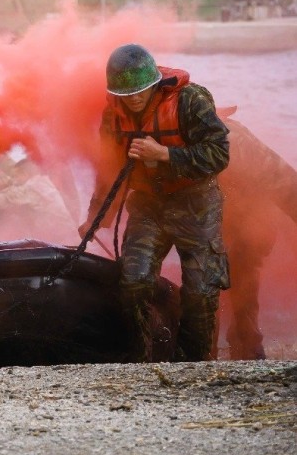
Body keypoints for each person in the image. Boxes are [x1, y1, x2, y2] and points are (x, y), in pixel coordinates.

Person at [79, 44, 230, 362]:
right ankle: (141, 359)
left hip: (196, 201)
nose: (133, 98)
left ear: (154, 84)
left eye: (140, 91)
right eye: (126, 93)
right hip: (148, 203)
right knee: (133, 281)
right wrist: (96, 218)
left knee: (201, 291)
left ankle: (192, 364)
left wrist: (165, 154)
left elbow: (219, 153)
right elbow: (109, 171)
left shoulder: (191, 100)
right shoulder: (113, 116)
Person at [218, 110, 297, 360]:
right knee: (208, 276)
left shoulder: (236, 141)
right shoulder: (171, 137)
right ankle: (204, 352)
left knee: (243, 272)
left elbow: (284, 182)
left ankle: (247, 346)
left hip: (253, 216)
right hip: (216, 212)